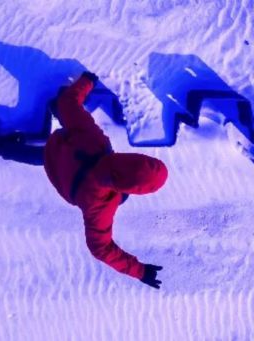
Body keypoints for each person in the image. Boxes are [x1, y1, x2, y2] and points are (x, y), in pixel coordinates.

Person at [43, 71, 168, 289]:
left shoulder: (94, 140)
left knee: (66, 113)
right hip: (58, 177)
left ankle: (7, 147)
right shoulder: (101, 207)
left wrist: (87, 81)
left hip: (59, 149)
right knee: (41, 155)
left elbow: (68, 102)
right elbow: (100, 248)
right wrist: (139, 271)